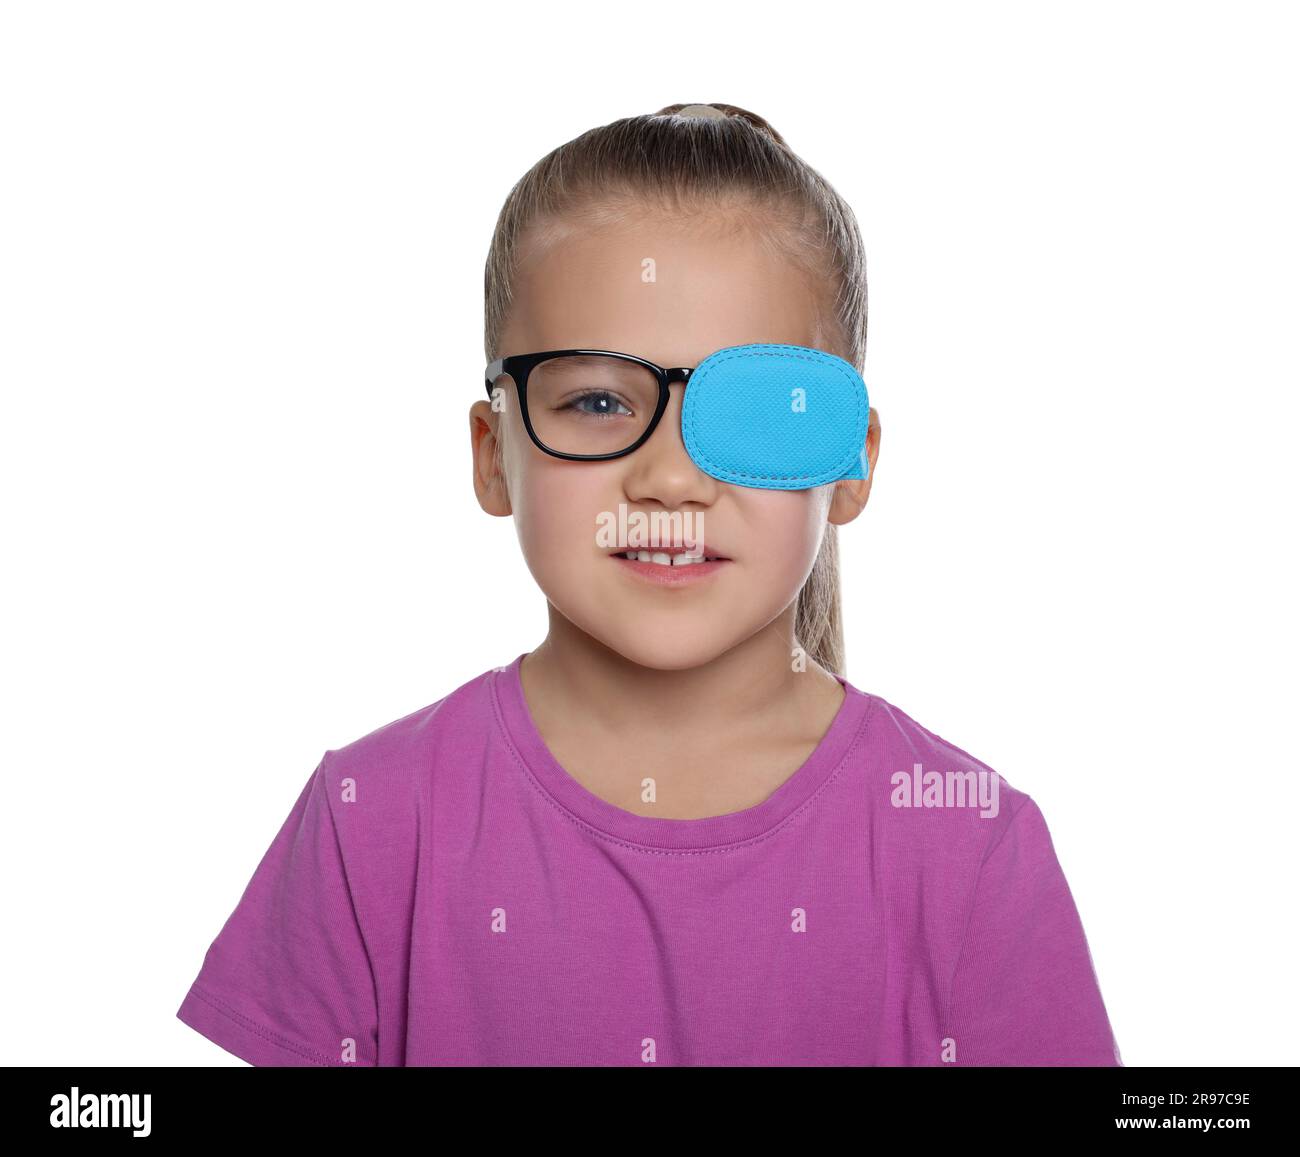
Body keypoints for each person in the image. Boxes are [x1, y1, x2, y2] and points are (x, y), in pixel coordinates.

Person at [175, 102, 1121, 1066]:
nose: (671, 477)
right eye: (596, 400)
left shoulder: (970, 850)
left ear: (851, 462)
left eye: (752, 407)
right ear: (493, 454)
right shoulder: (369, 820)